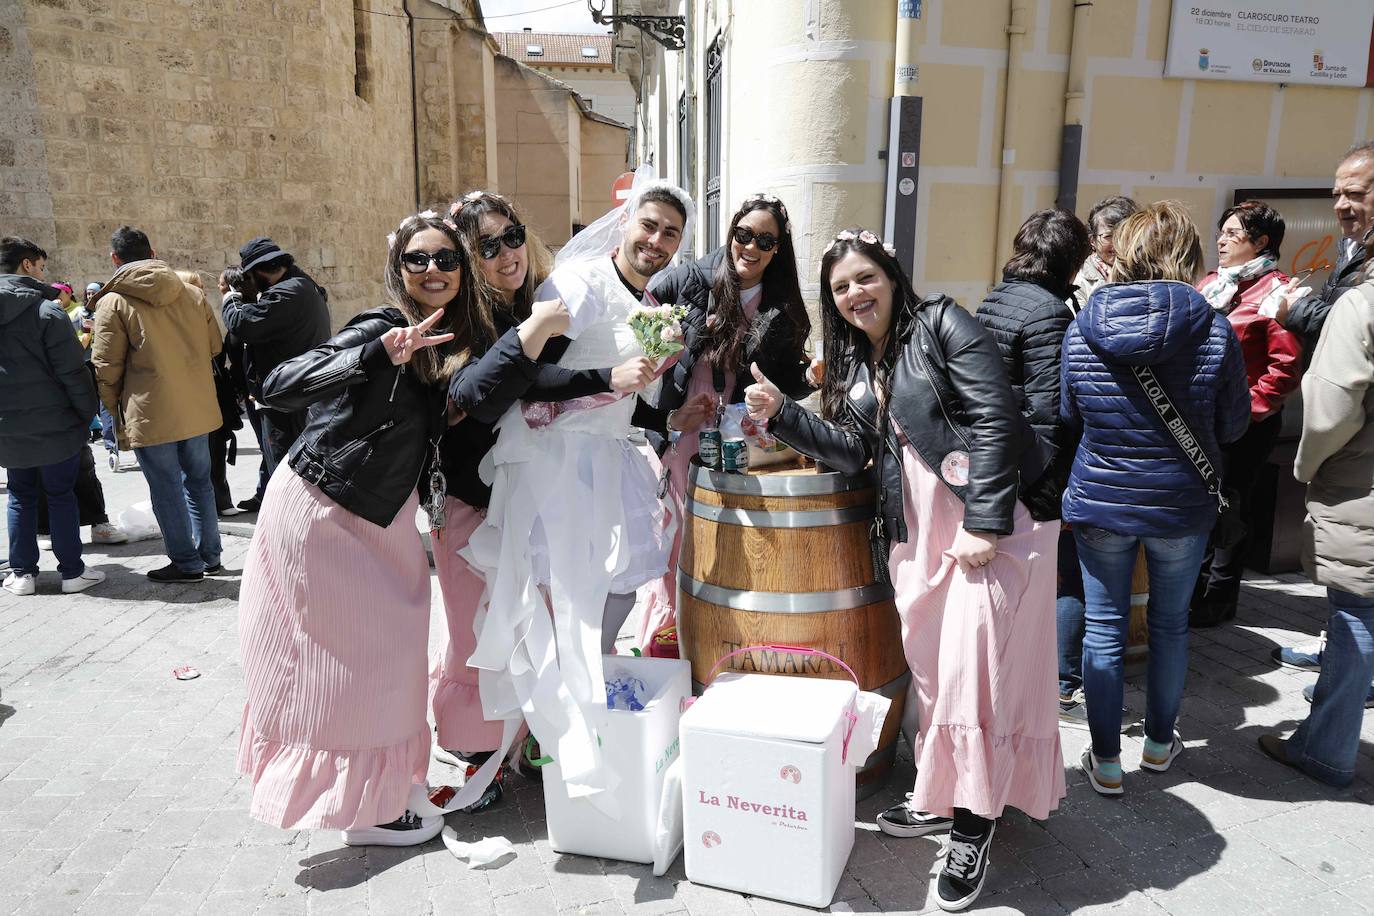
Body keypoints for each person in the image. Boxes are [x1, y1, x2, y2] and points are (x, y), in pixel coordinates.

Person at [747, 228, 1063, 912]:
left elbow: (994, 416)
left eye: (864, 278)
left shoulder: (943, 322)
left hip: (987, 523)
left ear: (891, 274)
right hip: (917, 532)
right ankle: (946, 797)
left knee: (973, 678)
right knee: (933, 676)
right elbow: (854, 453)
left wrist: (985, 521)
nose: (855, 294)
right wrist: (781, 418)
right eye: (840, 288)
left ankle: (973, 829)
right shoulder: (861, 363)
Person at [455, 177, 691, 811]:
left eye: (671, 232)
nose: (658, 240)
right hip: (561, 463)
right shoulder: (582, 281)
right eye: (650, 226)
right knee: (562, 606)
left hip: (609, 459)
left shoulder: (645, 297)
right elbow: (531, 380)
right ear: (624, 225)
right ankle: (555, 741)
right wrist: (609, 380)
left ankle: (575, 729)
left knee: (605, 602)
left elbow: (634, 388)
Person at [237, 211, 462, 846]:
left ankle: (380, 792)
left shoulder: (451, 337)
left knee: (387, 659)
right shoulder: (382, 325)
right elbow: (280, 385)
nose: (433, 270)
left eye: (447, 259)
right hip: (326, 508)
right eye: (418, 258)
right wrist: (373, 353)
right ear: (399, 268)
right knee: (356, 663)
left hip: (380, 514)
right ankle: (369, 810)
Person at [430, 190, 615, 805]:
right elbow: (477, 395)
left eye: (512, 236)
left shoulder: (530, 301)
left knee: (526, 625)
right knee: (473, 633)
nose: (507, 252)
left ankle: (525, 743)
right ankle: (478, 760)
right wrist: (535, 332)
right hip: (468, 499)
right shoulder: (459, 317)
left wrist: (613, 379)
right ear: (465, 256)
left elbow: (543, 384)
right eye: (487, 246)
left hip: (519, 494)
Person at [1060, 202, 1250, 796]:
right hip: (1181, 503)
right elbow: (1235, 424)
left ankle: (1107, 762)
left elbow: (1070, 413)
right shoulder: (1215, 328)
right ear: (1188, 257)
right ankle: (1161, 745)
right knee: (1170, 627)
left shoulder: (1084, 324)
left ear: (1125, 253)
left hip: (1102, 499)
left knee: (1105, 629)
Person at [633, 193, 813, 646]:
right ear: (730, 232)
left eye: (765, 241)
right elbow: (638, 331)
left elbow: (786, 383)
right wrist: (668, 415)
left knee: (734, 545)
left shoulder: (784, 304)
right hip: (687, 435)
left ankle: (723, 644)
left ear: (778, 249)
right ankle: (668, 647)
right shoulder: (689, 280)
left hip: (745, 445)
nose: (750, 247)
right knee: (682, 546)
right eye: (743, 234)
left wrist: (806, 380)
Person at [971, 208, 1096, 726]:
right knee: (1054, 585)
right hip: (1024, 475)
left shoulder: (995, 297)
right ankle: (1044, 691)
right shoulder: (1049, 313)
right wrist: (1047, 492)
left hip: (990, 462)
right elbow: (1048, 415)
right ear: (1070, 260)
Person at [1258, 256, 1374, 787]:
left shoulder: (1362, 304)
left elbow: (1331, 408)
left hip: (1362, 483)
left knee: (1355, 614)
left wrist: (1307, 465)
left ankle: (1326, 751)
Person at [1190, 201, 1302, 626]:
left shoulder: (1277, 291)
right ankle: (1194, 589)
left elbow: (1285, 366)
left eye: (1233, 234)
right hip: (1203, 419)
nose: (1221, 239)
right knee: (1203, 502)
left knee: (1233, 505)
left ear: (1261, 243)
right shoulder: (1213, 283)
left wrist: (1250, 410)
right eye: (1221, 231)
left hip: (1246, 424)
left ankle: (1219, 596)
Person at [91, 227, 224, 582]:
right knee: (199, 482)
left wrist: (114, 412)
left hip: (150, 410)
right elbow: (214, 346)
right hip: (196, 406)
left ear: (115, 259)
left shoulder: (113, 302)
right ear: (152, 253)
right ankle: (210, 555)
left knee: (166, 488)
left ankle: (185, 562)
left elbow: (106, 367)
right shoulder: (194, 294)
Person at [0, 236, 104, 595]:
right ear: (26, 265)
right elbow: (72, 372)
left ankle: (23, 574)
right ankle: (72, 572)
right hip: (56, 424)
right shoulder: (47, 311)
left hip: (8, 429)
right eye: (41, 266)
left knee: (19, 495)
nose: (44, 273)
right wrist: (86, 413)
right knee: (60, 495)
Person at [221, 237, 331, 509]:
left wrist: (230, 297)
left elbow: (242, 323)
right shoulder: (302, 285)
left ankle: (291, 525)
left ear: (258, 272)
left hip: (286, 399)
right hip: (298, 393)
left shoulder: (287, 293)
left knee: (287, 469)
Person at [1273, 141, 1374, 350]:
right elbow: (1338, 306)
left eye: (1354, 193)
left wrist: (1298, 310)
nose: (1340, 205)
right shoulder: (1350, 246)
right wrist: (1298, 299)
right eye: (1337, 195)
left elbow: (1360, 328)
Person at [1071, 196, 1138, 312]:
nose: (1117, 243)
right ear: (1093, 241)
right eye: (1108, 236)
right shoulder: (1080, 280)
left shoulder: (1145, 272)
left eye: (1124, 235)